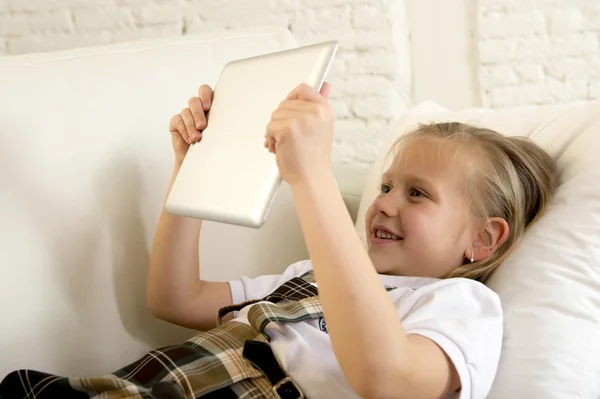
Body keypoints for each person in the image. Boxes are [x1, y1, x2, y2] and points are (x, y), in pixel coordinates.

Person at [0, 82, 558, 399]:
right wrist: (191, 167)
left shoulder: (462, 307)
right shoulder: (307, 276)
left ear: (483, 240)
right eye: (387, 185)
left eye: (418, 194)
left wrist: (311, 178)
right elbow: (174, 298)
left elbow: (387, 378)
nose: (385, 201)